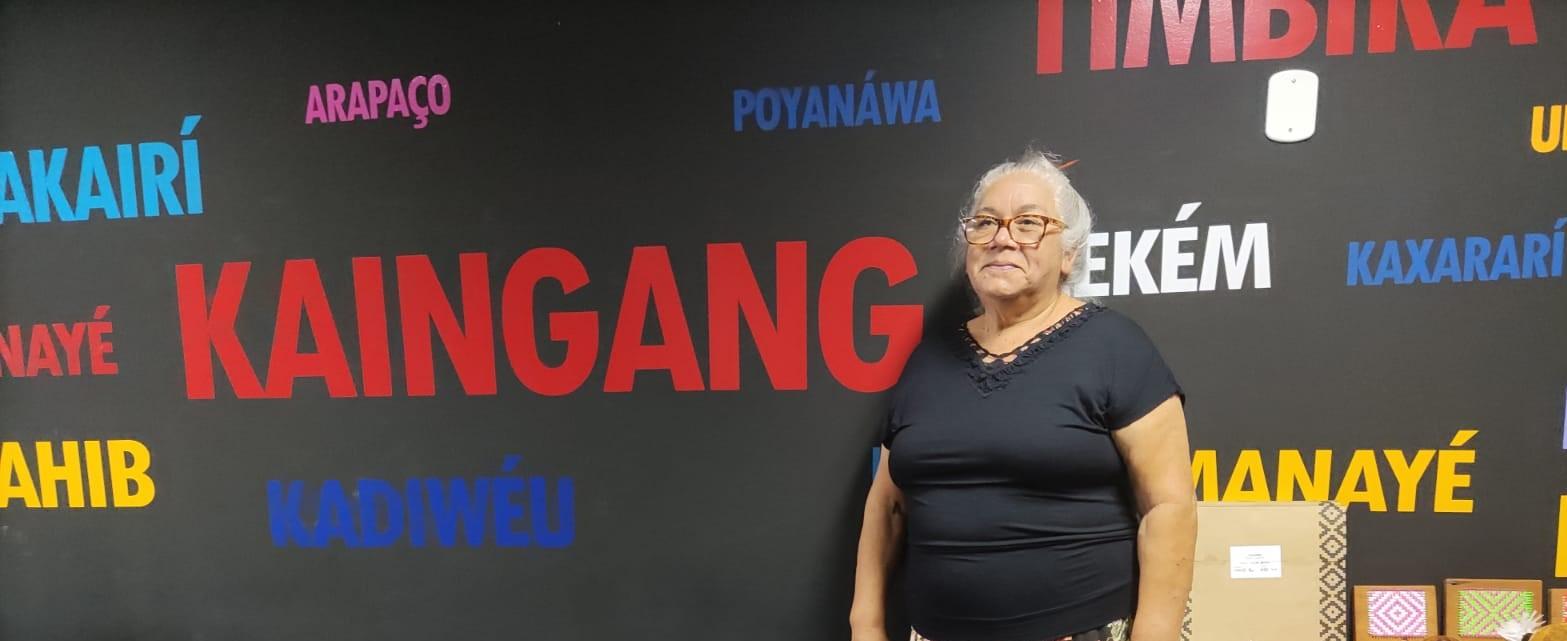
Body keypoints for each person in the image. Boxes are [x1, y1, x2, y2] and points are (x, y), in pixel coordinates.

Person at [849, 151, 1197, 641]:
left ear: (1069, 254)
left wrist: (1154, 633)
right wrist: (865, 625)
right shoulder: (927, 359)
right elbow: (887, 505)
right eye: (986, 222)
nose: (1002, 238)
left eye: (1029, 223)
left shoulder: (1115, 346)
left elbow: (1169, 507)